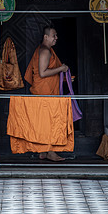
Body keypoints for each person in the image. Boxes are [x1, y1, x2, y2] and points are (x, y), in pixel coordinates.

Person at [24, 25, 69, 161]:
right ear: (46, 37)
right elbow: (43, 73)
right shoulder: (44, 51)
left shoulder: (46, 50)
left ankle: (43, 151)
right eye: (54, 35)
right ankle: (51, 152)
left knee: (43, 122)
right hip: (45, 93)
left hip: (45, 92)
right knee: (50, 122)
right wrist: (61, 69)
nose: (56, 38)